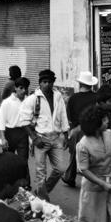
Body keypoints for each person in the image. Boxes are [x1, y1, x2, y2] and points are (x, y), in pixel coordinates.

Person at [18, 69, 69, 201]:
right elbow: (24, 121)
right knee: (41, 173)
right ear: (40, 83)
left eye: (49, 82)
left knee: (61, 168)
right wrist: (35, 139)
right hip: (40, 138)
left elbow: (63, 115)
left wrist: (66, 135)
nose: (47, 84)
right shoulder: (32, 99)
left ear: (53, 83)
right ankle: (43, 201)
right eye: (44, 82)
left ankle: (43, 191)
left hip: (56, 138)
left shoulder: (58, 97)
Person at [61, 71, 98, 188]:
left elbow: (69, 117)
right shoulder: (96, 97)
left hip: (77, 130)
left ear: (80, 84)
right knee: (92, 155)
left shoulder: (73, 98)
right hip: (92, 129)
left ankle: (69, 177)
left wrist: (68, 133)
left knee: (74, 155)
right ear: (91, 84)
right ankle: (93, 179)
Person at [0, 76, 31, 188]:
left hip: (23, 133)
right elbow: (1, 121)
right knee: (8, 161)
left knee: (23, 161)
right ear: (15, 88)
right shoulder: (7, 102)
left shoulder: (28, 101)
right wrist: (3, 138)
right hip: (9, 133)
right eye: (21, 88)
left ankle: (25, 185)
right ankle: (8, 184)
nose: (24, 91)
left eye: (26, 88)